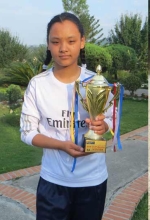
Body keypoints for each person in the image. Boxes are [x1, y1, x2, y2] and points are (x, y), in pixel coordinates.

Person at [20, 12, 114, 220]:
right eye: (56, 41)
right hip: (53, 182)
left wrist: (103, 127)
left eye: (71, 41)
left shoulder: (97, 83)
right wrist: (61, 145)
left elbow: (111, 120)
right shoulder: (38, 85)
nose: (63, 48)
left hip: (92, 181)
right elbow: (27, 133)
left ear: (82, 42)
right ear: (48, 44)